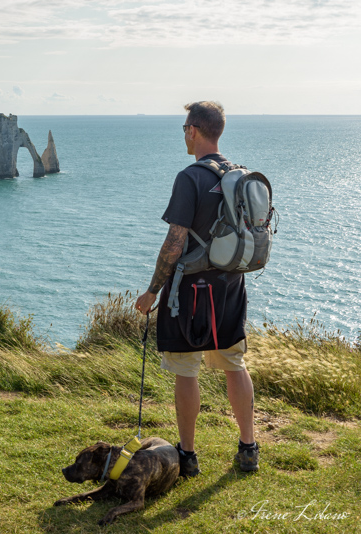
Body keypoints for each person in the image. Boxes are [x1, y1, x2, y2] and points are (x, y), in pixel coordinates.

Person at [134, 101, 259, 477]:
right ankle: (248, 447)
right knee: (234, 365)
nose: (184, 135)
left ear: (193, 130)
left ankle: (187, 456)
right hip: (231, 285)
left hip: (189, 292)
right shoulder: (239, 174)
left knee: (186, 370)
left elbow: (175, 241)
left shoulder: (190, 177)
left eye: (184, 128)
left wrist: (152, 290)